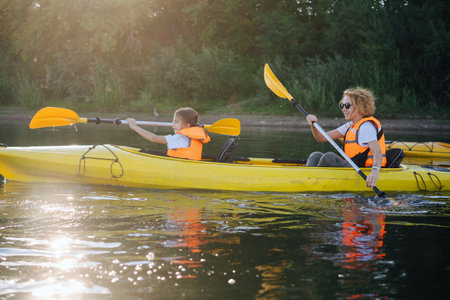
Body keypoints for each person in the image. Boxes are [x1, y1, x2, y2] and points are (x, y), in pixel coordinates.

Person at [305, 87, 386, 188]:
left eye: (347, 106)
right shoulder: (350, 125)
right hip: (351, 168)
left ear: (360, 106)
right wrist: (313, 125)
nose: (343, 109)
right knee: (315, 155)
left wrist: (375, 172)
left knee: (329, 157)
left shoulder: (366, 127)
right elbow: (321, 138)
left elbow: (377, 152)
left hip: (363, 171)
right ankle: (306, 179)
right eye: (342, 105)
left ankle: (310, 184)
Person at [126, 107, 210, 160]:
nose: (173, 125)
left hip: (181, 165)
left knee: (145, 152)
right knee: (145, 151)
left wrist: (134, 126)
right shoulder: (191, 136)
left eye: (176, 122)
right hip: (182, 161)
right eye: (173, 122)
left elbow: (154, 138)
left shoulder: (181, 138)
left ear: (187, 125)